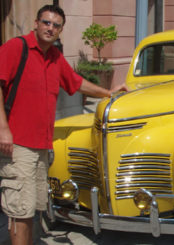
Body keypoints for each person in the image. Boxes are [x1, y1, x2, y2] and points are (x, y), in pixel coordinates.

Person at [0, 5, 127, 245]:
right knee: (20, 211)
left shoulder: (55, 57)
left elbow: (77, 83)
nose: (50, 28)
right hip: (18, 144)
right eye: (46, 22)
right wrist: (3, 129)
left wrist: (108, 93)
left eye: (56, 25)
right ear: (36, 23)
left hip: (40, 145)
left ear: (61, 30)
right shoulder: (17, 47)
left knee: (34, 208)